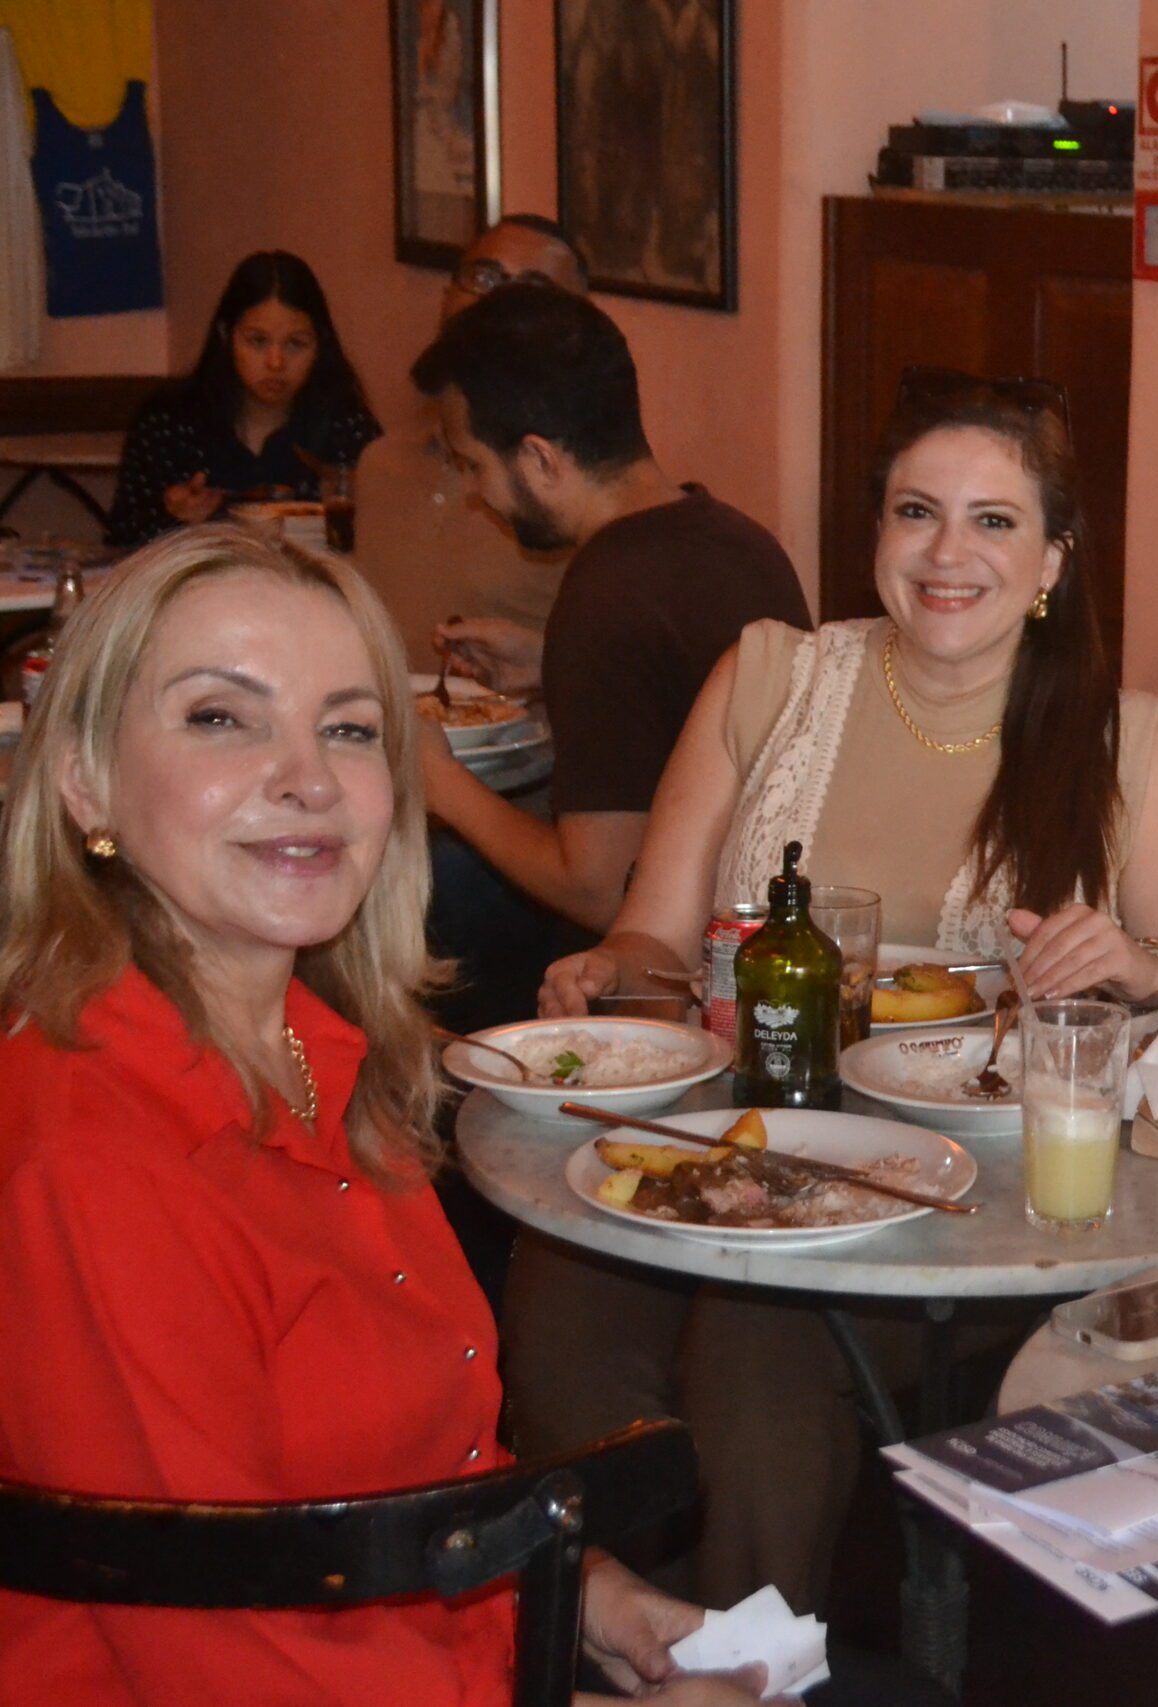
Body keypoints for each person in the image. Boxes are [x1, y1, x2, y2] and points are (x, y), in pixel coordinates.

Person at [515, 369, 1158, 1613]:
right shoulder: (768, 677)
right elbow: (652, 938)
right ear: (875, 535)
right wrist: (610, 972)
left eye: (993, 521)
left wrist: (1140, 972)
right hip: (736, 1139)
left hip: (981, 1204)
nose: (947, 554)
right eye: (917, 512)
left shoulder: (1122, 741)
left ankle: (745, 1669)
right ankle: (597, 1635)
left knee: (759, 1342)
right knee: (561, 1299)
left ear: (1053, 561)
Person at [0, 524, 761, 1706]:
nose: (307, 778)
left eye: (349, 729)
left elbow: (403, 1479)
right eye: (221, 717)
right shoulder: (92, 1157)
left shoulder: (325, 1057)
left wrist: (578, 1591)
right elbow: (215, 1648)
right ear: (83, 780)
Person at [407, 284, 809, 936]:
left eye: (473, 465)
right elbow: (675, 690)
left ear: (539, 458)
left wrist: (442, 783)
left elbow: (598, 890)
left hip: (691, 950)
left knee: (419, 876)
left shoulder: (605, 596)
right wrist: (550, 665)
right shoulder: (740, 538)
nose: (474, 495)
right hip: (773, 914)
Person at [352, 213, 592, 673]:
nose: (497, 304)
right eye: (484, 278)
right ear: (447, 296)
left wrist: (545, 669)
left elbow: (622, 675)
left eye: (532, 291)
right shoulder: (382, 464)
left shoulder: (581, 490)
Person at [104, 252, 381, 549]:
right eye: (257, 341)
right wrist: (175, 521)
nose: (276, 363)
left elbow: (383, 540)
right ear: (226, 335)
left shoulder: (347, 426)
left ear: (320, 344)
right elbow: (122, 542)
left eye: (296, 344)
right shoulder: (170, 422)